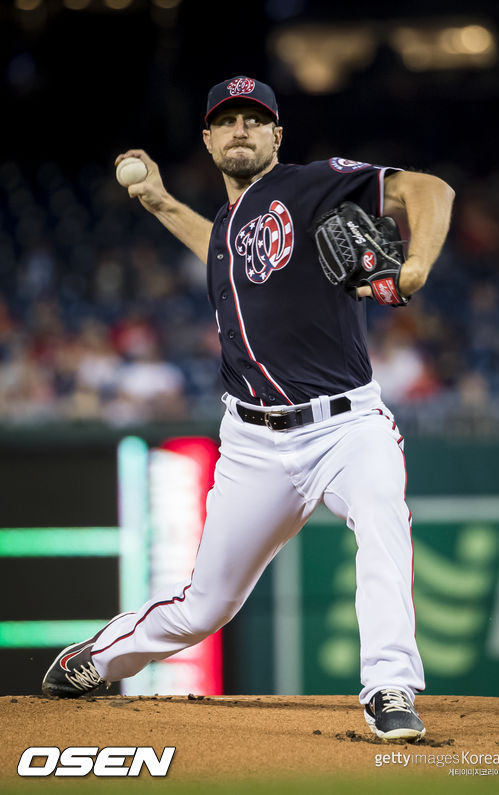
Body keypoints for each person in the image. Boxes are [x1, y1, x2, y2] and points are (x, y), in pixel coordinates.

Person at [42, 76, 454, 740]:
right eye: (228, 120)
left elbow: (431, 189)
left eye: (255, 119)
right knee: (204, 608)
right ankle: (97, 658)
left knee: (382, 519)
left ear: (276, 135)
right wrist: (160, 202)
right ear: (208, 141)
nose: (241, 129)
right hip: (253, 444)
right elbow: (219, 250)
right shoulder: (229, 229)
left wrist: (417, 266)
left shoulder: (312, 184)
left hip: (347, 427)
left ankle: (390, 686)